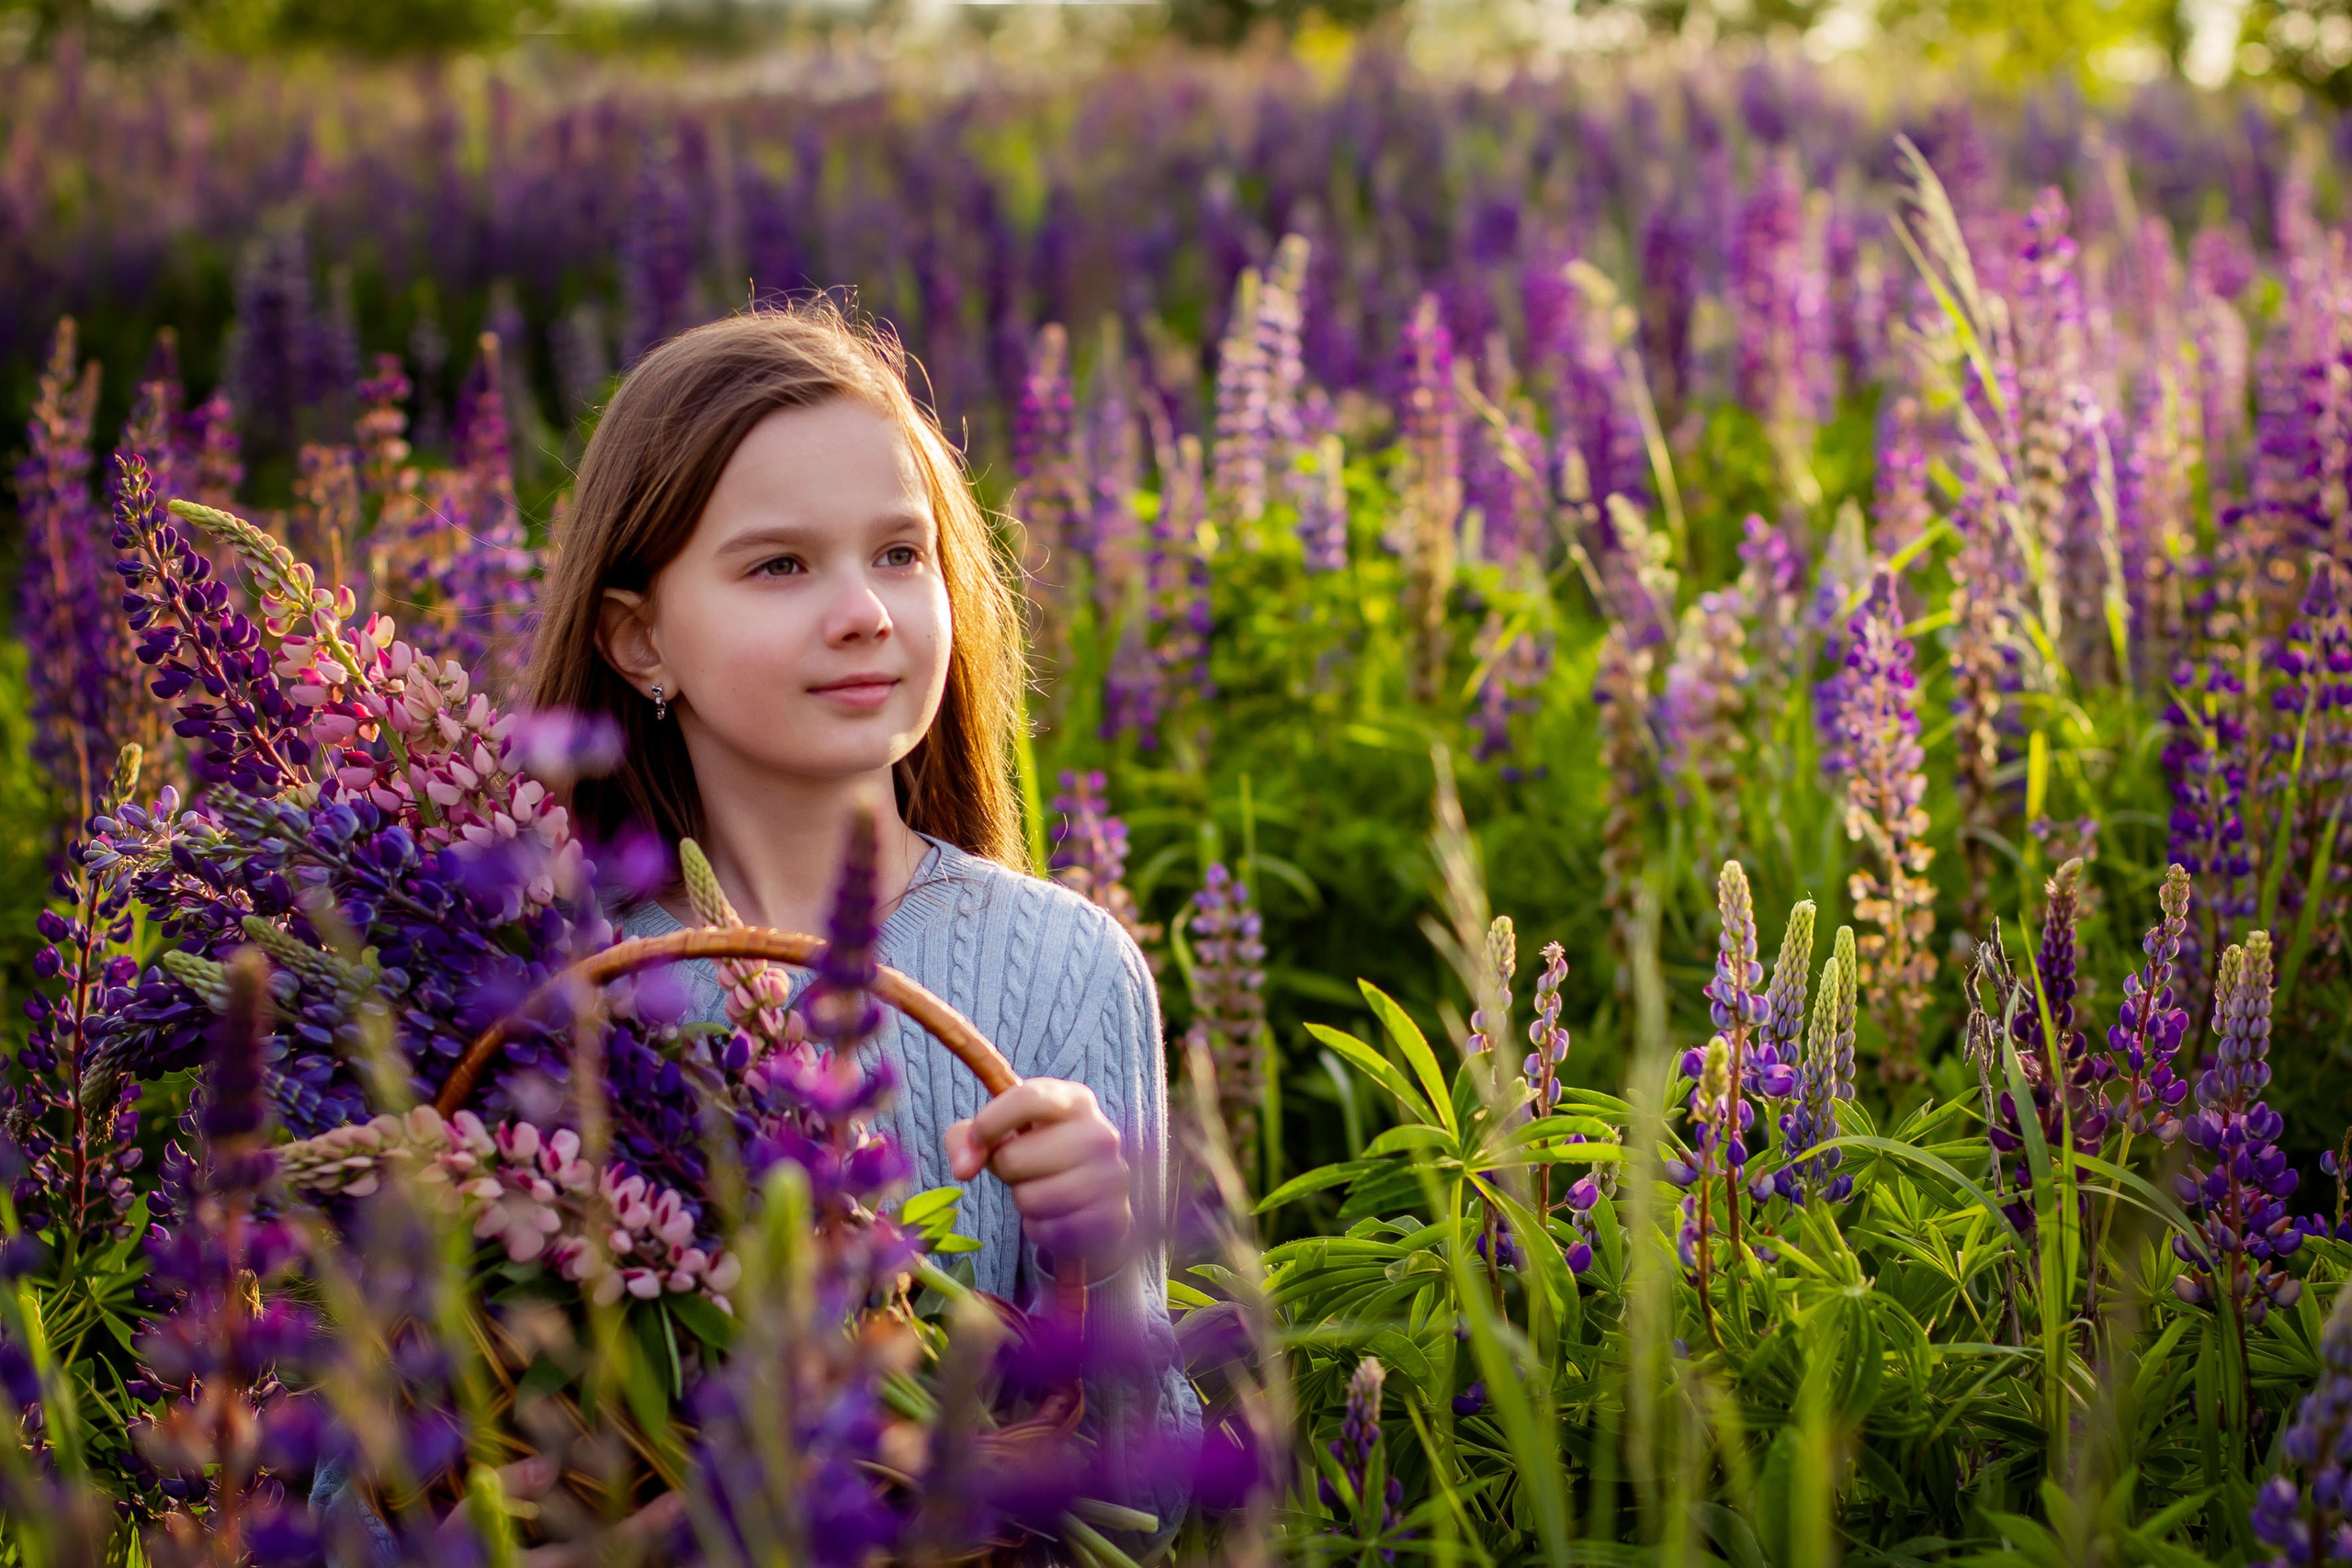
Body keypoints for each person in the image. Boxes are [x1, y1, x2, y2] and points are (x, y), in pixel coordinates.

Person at [525, 299, 1197, 1532]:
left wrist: (1098, 1262)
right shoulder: (552, 978)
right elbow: (375, 1468)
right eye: (781, 565)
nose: (865, 612)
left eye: (900, 552)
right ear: (637, 639)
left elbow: (1146, 1501)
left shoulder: (1064, 966)